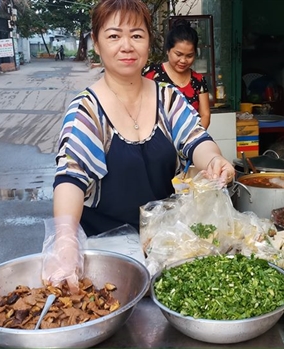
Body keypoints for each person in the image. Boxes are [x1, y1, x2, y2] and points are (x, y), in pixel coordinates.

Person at [45, 0, 234, 293]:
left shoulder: (167, 98)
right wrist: (66, 239)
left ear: (149, 42)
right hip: (107, 259)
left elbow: (196, 139)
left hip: (164, 249)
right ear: (96, 43)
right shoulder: (87, 110)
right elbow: (71, 177)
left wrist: (213, 162)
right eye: (113, 36)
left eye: (136, 35)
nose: (126, 46)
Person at [142, 19, 211, 129]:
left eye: (189, 56)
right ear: (168, 50)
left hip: (189, 140)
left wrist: (193, 138)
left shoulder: (199, 80)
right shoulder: (150, 74)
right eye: (178, 54)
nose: (183, 60)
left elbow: (205, 115)